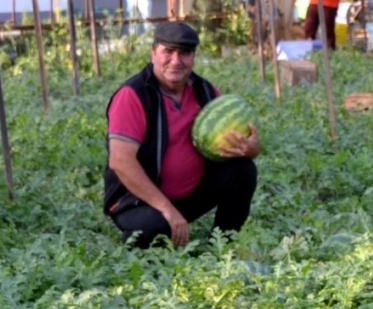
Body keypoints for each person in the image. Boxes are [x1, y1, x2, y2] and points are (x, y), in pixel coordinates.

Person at [103, 21, 260, 249]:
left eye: (184, 53)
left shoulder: (204, 91)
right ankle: (151, 232)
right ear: (153, 53)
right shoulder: (134, 95)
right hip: (138, 201)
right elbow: (120, 161)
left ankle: (223, 245)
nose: (176, 61)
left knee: (243, 170)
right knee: (153, 230)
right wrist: (166, 208)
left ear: (193, 57)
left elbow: (229, 140)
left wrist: (251, 149)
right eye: (168, 51)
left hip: (190, 196)